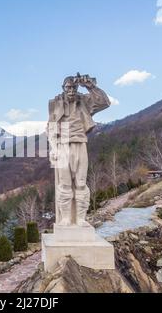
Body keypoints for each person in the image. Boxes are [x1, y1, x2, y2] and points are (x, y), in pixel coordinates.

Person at [47, 74, 111, 226]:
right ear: (63, 88)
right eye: (68, 87)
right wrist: (53, 148)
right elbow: (50, 128)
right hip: (62, 144)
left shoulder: (84, 101)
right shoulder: (55, 103)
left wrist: (90, 86)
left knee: (81, 183)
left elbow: (104, 102)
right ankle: (66, 218)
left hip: (80, 143)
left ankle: (81, 219)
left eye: (74, 87)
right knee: (65, 184)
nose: (71, 90)